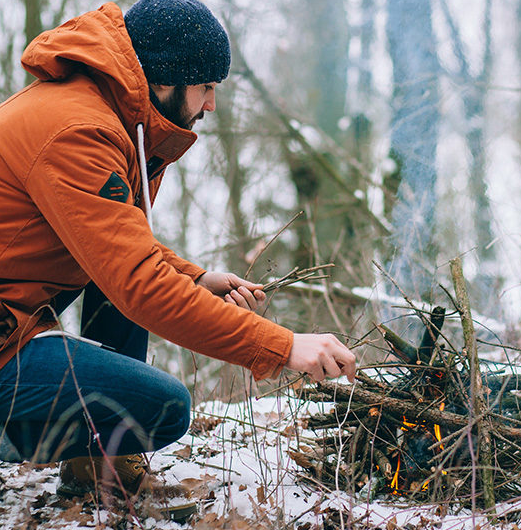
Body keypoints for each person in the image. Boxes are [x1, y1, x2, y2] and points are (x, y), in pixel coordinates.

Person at [0, 0, 355, 506]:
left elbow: (116, 243)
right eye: (206, 86)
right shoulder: (79, 132)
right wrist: (282, 347)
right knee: (161, 406)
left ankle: (100, 475)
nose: (211, 104)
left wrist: (194, 277)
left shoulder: (106, 114)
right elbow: (138, 282)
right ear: (166, 79)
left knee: (118, 286)